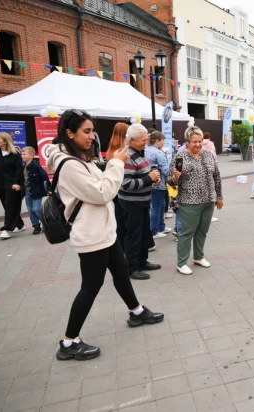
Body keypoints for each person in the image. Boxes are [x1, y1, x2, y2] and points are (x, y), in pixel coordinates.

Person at [46, 109, 164, 361]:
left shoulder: (79, 158)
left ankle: (136, 311)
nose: (92, 137)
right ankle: (68, 343)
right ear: (70, 133)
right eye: (86, 132)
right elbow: (102, 193)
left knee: (121, 272)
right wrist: (116, 163)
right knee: (91, 286)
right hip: (91, 236)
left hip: (104, 232)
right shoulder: (69, 165)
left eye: (92, 131)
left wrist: (110, 164)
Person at [170, 126, 223, 275]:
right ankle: (181, 263)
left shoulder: (208, 155)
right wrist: (175, 177)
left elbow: (217, 176)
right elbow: (170, 180)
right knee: (187, 232)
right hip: (189, 201)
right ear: (187, 142)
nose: (198, 144)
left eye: (200, 141)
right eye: (194, 142)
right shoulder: (180, 158)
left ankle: (199, 257)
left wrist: (219, 196)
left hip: (208, 200)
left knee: (202, 231)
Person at [119, 124, 162, 280]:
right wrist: (148, 179)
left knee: (144, 234)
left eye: (146, 139)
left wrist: (153, 180)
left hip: (142, 201)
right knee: (133, 236)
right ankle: (131, 268)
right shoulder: (127, 156)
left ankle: (142, 262)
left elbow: (143, 176)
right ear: (132, 140)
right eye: (143, 140)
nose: (146, 142)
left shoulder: (139, 153)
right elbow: (126, 184)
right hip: (132, 204)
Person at [0, 132, 25, 240]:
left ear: (5, 141)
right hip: (0, 183)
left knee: (9, 206)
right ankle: (19, 225)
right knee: (7, 206)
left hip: (12, 184)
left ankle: (6, 229)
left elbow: (18, 171)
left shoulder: (15, 155)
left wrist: (16, 183)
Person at [106, 122, 129, 250]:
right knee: (123, 219)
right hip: (121, 186)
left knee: (119, 217)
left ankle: (120, 244)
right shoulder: (121, 150)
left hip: (115, 188)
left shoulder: (112, 147)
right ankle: (122, 245)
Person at [145, 131, 171, 239]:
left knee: (160, 204)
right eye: (162, 140)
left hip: (148, 181)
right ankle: (154, 230)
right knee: (157, 206)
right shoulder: (158, 153)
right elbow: (166, 170)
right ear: (157, 141)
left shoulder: (145, 150)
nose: (163, 143)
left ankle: (160, 226)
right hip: (158, 183)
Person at [21, 147, 49, 235]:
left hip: (36, 191)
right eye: (22, 154)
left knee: (36, 208)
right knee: (30, 210)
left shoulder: (35, 166)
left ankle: (46, 224)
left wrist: (48, 188)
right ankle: (36, 226)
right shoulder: (24, 166)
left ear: (31, 155)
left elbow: (44, 176)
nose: (22, 156)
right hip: (27, 191)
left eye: (24, 154)